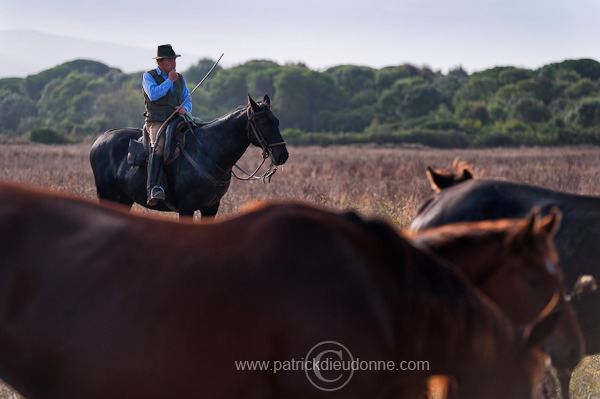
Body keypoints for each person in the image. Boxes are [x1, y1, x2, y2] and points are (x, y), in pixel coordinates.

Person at [142, 44, 192, 206]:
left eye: (174, 60)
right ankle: (153, 188)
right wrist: (170, 81)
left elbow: (187, 98)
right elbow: (154, 95)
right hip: (156, 121)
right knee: (159, 146)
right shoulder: (148, 76)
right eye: (169, 60)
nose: (173, 63)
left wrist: (185, 108)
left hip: (178, 119)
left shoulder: (181, 78)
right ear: (160, 63)